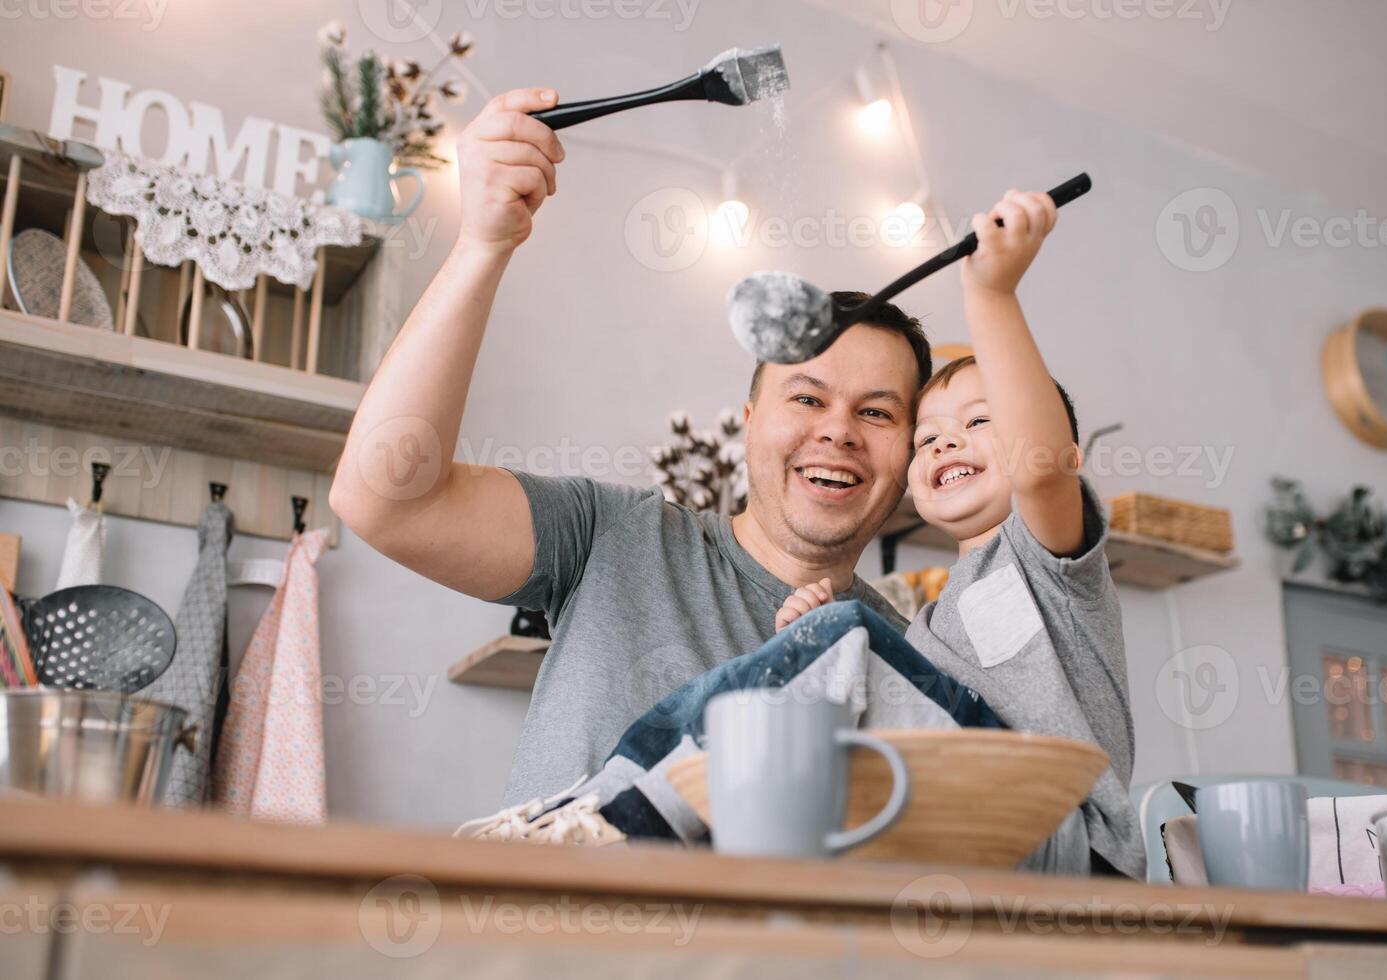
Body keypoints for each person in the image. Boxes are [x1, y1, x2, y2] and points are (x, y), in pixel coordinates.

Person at [328, 88, 932, 806]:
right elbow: (384, 498)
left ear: (912, 450)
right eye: (806, 397)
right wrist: (482, 244)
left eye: (876, 411)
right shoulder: (614, 538)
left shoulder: (910, 659)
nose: (837, 430)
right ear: (749, 419)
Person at [777, 189, 1146, 878]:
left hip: (1068, 837)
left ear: (1067, 454)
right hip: (965, 845)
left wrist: (993, 295)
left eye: (980, 423)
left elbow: (1038, 472)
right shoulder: (929, 624)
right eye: (928, 438)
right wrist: (827, 641)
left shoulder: (1048, 561)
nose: (948, 445)